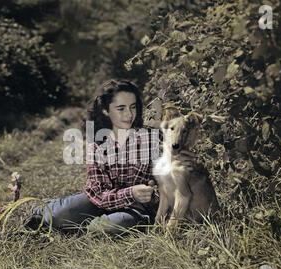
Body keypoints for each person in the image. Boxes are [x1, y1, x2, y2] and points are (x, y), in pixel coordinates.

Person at [24, 79, 196, 235]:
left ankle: (87, 227)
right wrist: (131, 192)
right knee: (59, 215)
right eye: (121, 108)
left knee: (107, 228)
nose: (129, 115)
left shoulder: (153, 138)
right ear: (106, 110)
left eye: (133, 107)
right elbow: (97, 193)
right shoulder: (97, 143)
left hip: (135, 208)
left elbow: (172, 170)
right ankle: (46, 208)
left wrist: (184, 161)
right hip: (100, 201)